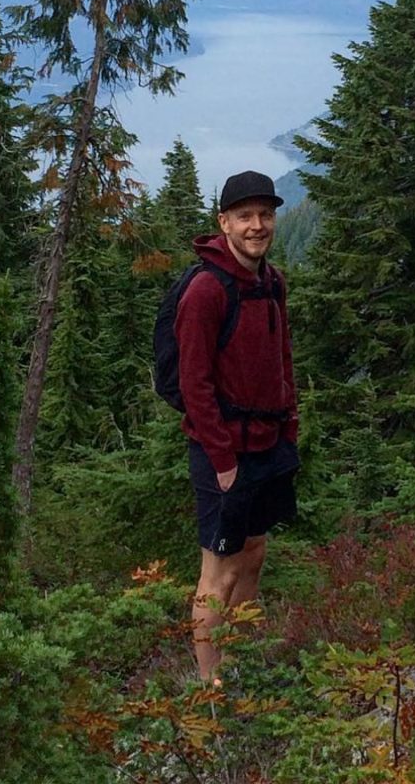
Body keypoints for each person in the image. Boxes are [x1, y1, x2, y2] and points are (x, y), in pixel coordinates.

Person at [175, 170, 299, 682]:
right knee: (218, 572)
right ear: (223, 222)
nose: (257, 225)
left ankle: (241, 663)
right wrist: (222, 461)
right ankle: (211, 687)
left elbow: (282, 360)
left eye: (265, 215)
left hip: (269, 446)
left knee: (254, 555)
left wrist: (289, 430)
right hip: (222, 452)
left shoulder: (271, 282)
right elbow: (193, 384)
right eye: (245, 216)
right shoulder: (207, 290)